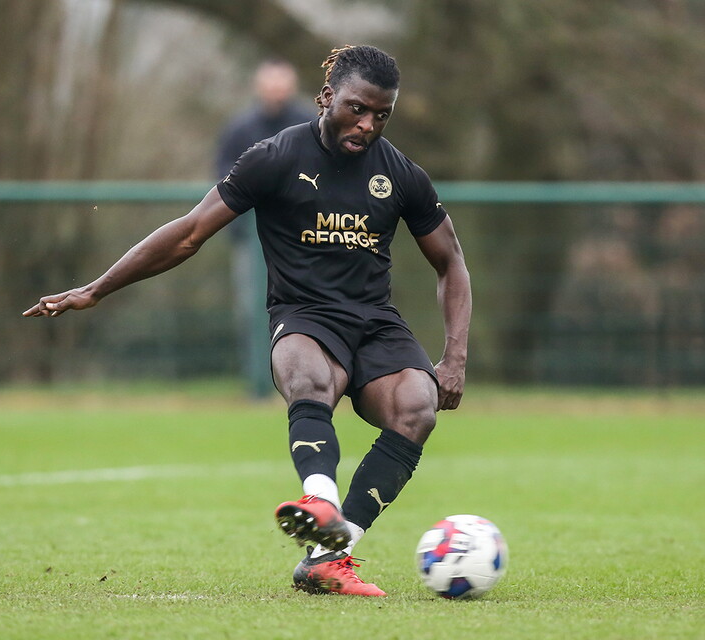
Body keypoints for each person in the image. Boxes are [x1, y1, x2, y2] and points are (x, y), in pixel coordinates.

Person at [24, 45, 472, 598]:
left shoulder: (401, 173)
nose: (367, 124)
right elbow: (189, 233)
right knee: (310, 378)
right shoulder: (275, 157)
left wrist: (454, 357)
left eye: (382, 115)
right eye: (357, 109)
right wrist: (96, 289)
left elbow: (451, 262)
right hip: (305, 316)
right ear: (326, 97)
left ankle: (330, 554)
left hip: (376, 321)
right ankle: (320, 501)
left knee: (417, 407)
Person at [214, 59, 311, 398]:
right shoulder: (240, 128)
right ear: (260, 88)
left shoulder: (308, 123)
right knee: (251, 310)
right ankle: (257, 385)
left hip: (303, 240)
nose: (277, 92)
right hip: (252, 242)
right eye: (271, 85)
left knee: (308, 309)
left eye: (282, 85)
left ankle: (306, 382)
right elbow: (223, 178)